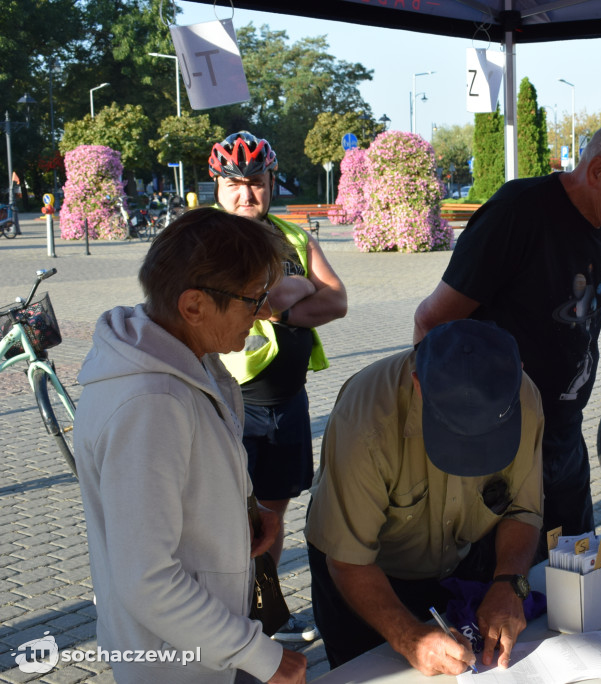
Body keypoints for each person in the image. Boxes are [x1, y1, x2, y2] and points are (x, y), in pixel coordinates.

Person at [413, 107, 601, 537]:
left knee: (574, 572)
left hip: (562, 435)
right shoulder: (518, 212)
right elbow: (432, 323)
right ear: (597, 170)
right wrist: (453, 427)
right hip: (499, 443)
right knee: (506, 586)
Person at [74, 208, 307, 684]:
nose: (265, 312)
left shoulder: (192, 360)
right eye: (253, 299)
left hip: (205, 645)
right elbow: (147, 578)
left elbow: (193, 482)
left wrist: (244, 512)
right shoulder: (151, 405)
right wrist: (257, 654)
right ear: (194, 306)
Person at [305, 319, 544, 674]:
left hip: (452, 564)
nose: (467, 461)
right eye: (453, 435)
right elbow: (349, 560)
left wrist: (509, 584)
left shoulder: (522, 396)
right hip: (363, 576)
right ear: (419, 385)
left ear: (517, 375)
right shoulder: (366, 420)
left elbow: (522, 509)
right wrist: (410, 637)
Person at [209, 131, 348, 642]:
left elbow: (335, 302)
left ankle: (269, 608)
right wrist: (294, 288)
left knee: (272, 510)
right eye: (236, 184)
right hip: (231, 402)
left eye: (257, 183)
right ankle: (233, 616)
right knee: (228, 514)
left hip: (288, 403)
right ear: (217, 187)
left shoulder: (293, 237)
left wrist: (280, 304)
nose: (247, 195)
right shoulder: (205, 239)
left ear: (271, 183)